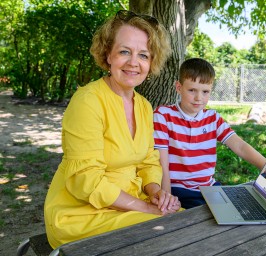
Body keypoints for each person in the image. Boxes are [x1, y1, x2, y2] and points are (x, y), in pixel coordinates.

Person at [44, 10, 181, 249]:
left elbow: (149, 160)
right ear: (108, 54)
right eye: (124, 51)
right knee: (172, 232)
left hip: (131, 202)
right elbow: (85, 180)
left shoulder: (144, 106)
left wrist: (155, 192)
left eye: (143, 55)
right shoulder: (88, 101)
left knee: (186, 222)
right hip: (81, 213)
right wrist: (146, 208)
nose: (133, 63)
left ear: (152, 62)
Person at [153, 58, 266, 209]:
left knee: (246, 210)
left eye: (205, 91)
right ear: (178, 87)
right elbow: (162, 163)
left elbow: (240, 146)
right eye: (192, 90)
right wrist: (167, 198)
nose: (199, 98)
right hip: (179, 190)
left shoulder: (212, 118)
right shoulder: (163, 115)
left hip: (209, 188)